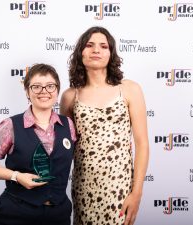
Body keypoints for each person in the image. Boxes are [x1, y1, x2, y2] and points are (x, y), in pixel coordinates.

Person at [60, 26, 149, 225]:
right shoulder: (69, 96)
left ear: (111, 53)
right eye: (90, 45)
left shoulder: (129, 89)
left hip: (120, 188)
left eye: (103, 46)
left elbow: (142, 144)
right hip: (84, 187)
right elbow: (64, 148)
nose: (96, 50)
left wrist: (137, 193)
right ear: (80, 52)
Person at [0, 63, 76, 225]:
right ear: (27, 92)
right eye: (36, 87)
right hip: (16, 213)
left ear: (57, 91)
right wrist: (16, 176)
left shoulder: (69, 125)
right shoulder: (10, 125)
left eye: (50, 86)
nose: (44, 91)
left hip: (58, 214)